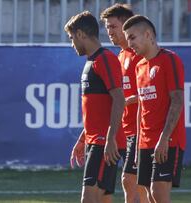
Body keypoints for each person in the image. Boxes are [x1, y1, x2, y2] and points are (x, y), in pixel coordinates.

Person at [123, 15, 186, 203]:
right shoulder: (139, 66)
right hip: (144, 143)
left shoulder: (169, 60)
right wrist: (137, 147)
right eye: (128, 39)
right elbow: (142, 106)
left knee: (158, 193)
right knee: (149, 196)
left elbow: (177, 100)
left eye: (133, 37)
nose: (130, 43)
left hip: (167, 140)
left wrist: (164, 138)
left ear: (148, 34)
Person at [65, 11, 125, 203]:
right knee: (103, 199)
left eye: (71, 37)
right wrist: (83, 138)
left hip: (102, 144)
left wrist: (110, 139)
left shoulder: (105, 59)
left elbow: (119, 99)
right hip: (95, 142)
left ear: (81, 34)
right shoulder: (91, 62)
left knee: (89, 199)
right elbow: (97, 110)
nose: (72, 43)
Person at [100, 4, 148, 203]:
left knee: (130, 181)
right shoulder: (120, 56)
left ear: (126, 25)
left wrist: (128, 101)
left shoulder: (141, 54)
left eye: (113, 26)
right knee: (139, 186)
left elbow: (152, 92)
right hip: (125, 130)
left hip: (142, 129)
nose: (109, 32)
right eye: (107, 27)